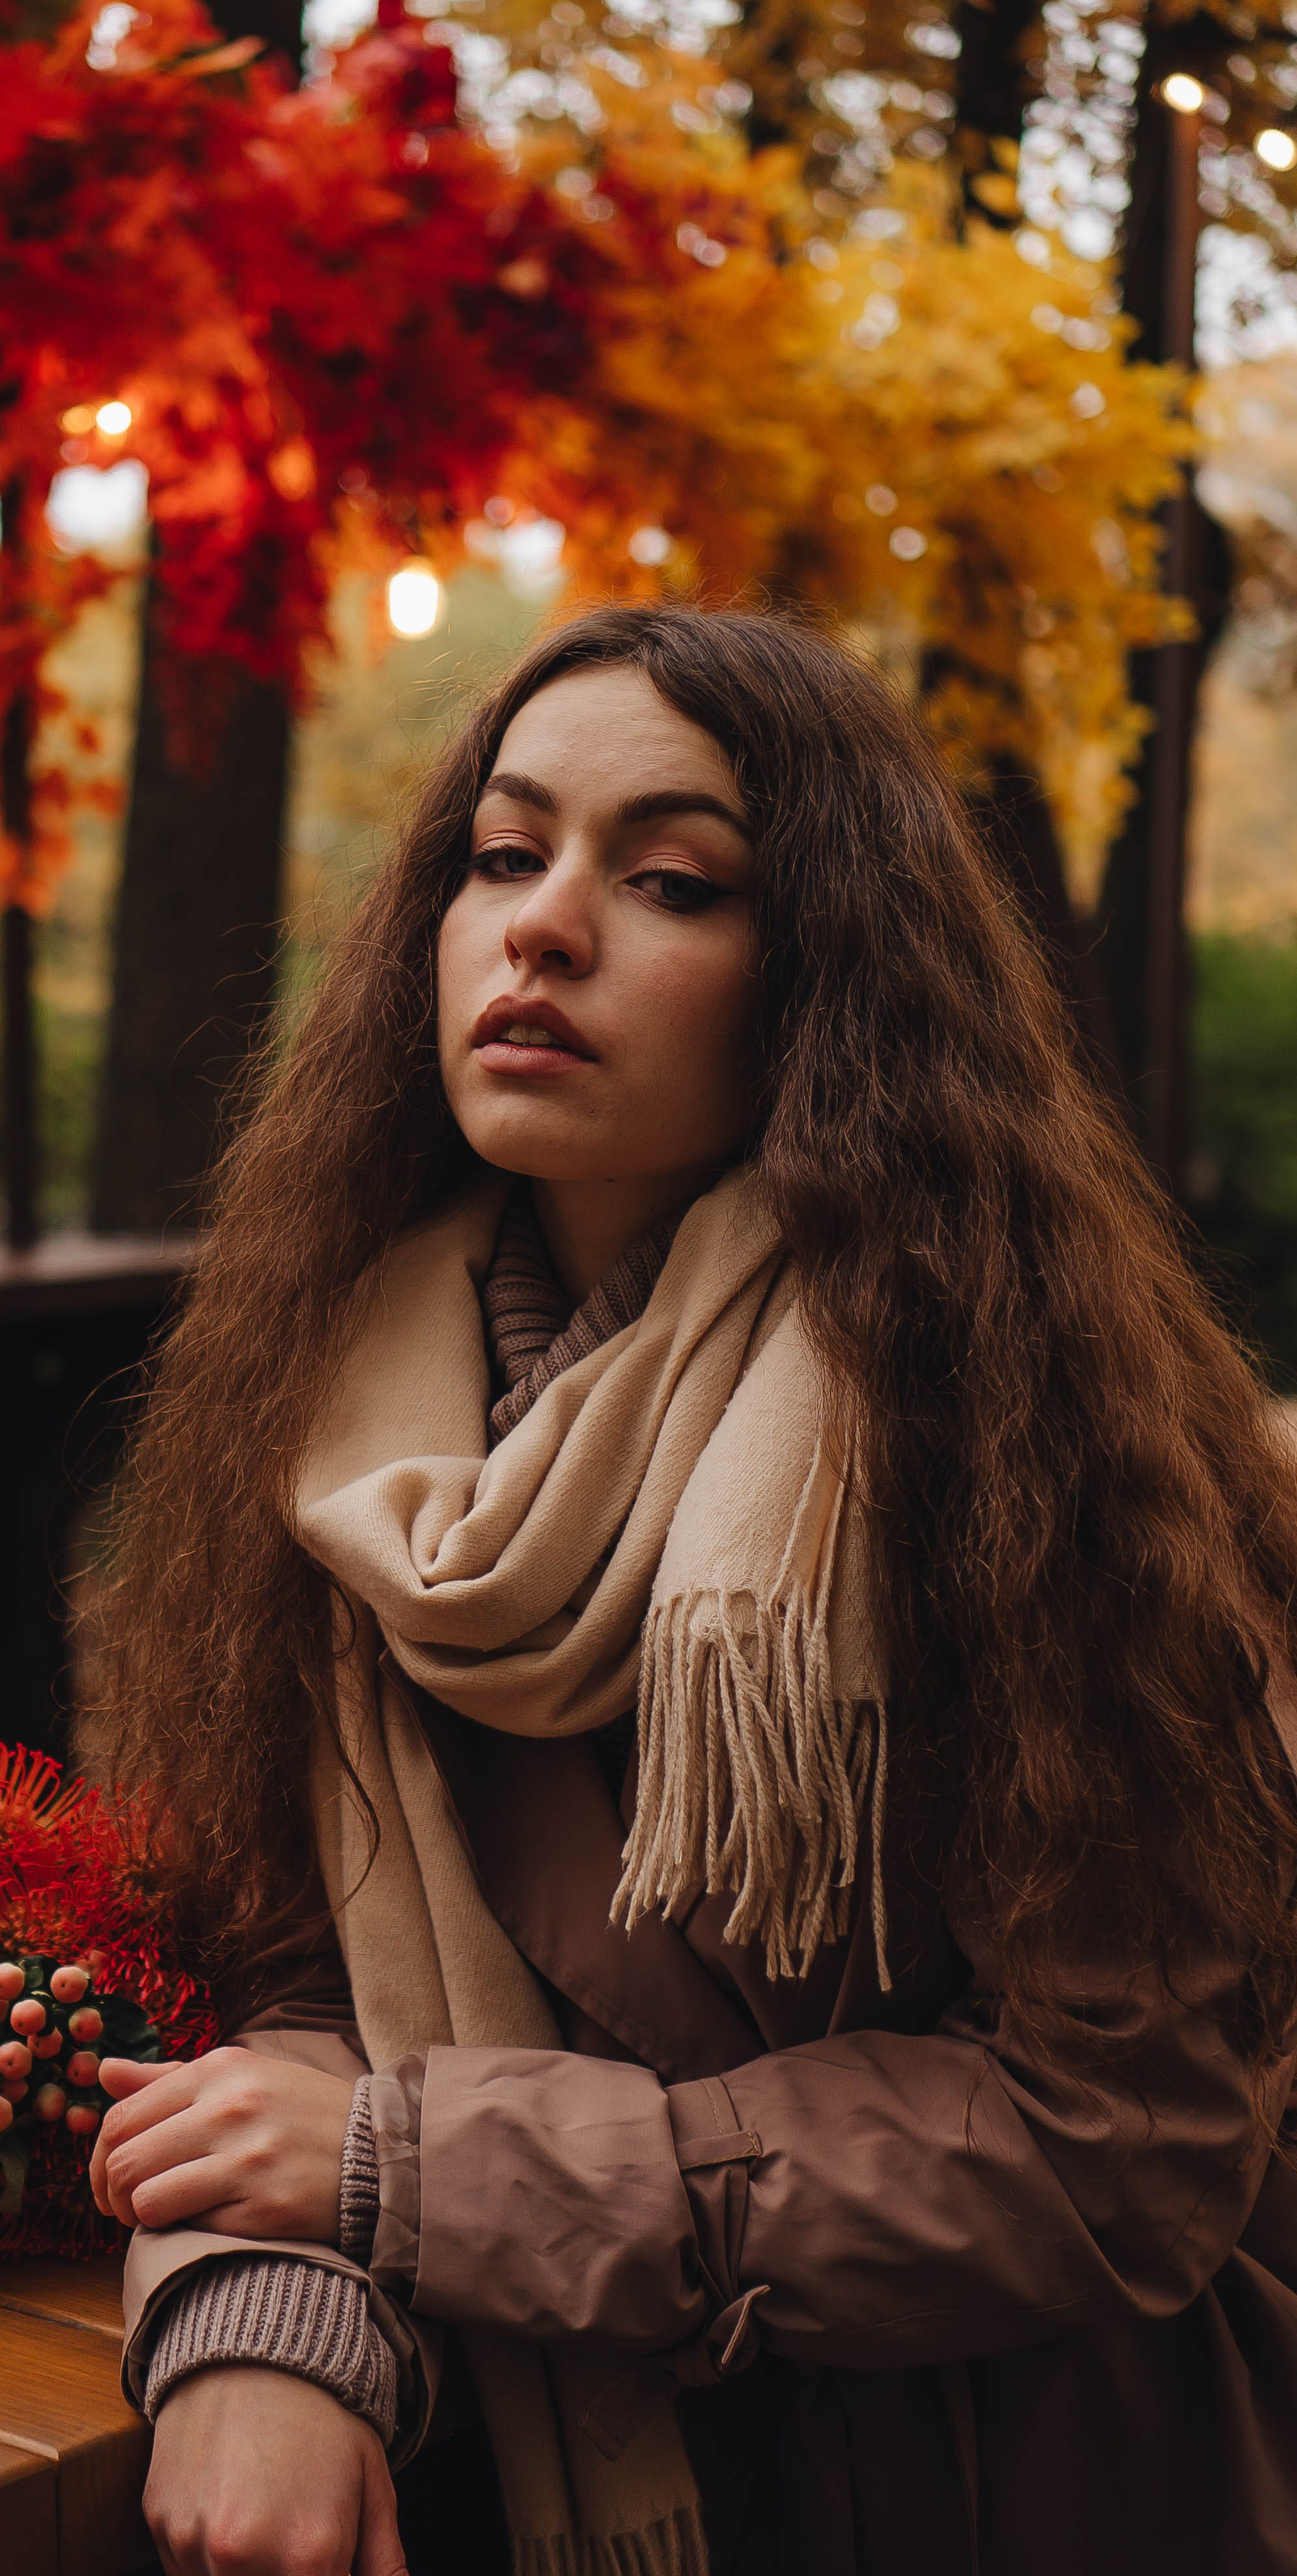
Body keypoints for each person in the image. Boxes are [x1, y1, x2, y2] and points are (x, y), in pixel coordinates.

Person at [84, 603, 1297, 2576]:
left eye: (668, 880)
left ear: (829, 982)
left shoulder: (1011, 1438)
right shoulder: (331, 1438)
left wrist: (414, 2174)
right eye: (503, 854)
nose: (542, 928)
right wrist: (262, 2330)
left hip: (1026, 2484)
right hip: (558, 2446)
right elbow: (293, 1995)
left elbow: (1119, 2150)